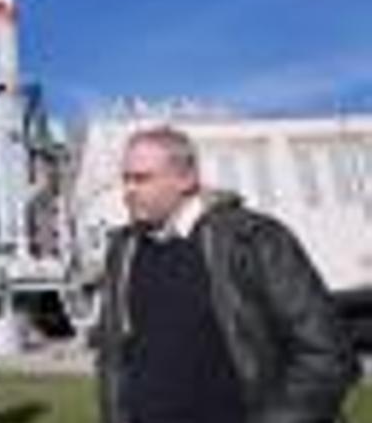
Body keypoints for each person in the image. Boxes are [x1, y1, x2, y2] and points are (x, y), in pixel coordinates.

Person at [96, 126, 359, 423]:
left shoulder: (253, 238)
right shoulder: (123, 250)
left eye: (141, 178)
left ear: (186, 179)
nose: (128, 191)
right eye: (126, 179)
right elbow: (113, 357)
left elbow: (326, 353)